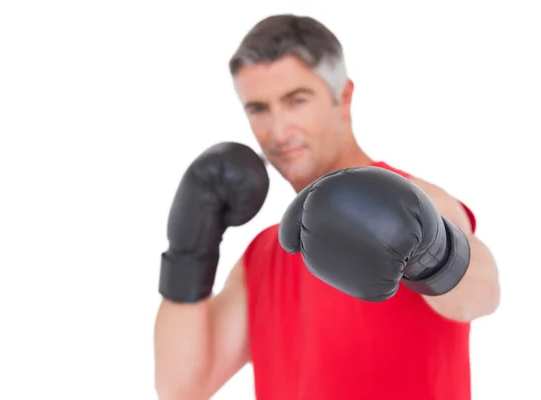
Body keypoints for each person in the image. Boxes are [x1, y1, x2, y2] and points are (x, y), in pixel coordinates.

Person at [154, 14, 501, 400]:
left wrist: (432, 255)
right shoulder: (266, 253)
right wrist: (190, 245)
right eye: (258, 109)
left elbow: (483, 295)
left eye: (296, 100)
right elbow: (182, 387)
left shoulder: (415, 201)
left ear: (344, 97)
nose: (279, 132)